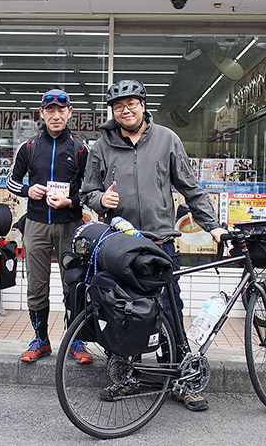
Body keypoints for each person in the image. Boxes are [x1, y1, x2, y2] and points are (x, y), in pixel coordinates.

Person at [81, 79, 226, 411]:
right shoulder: (101, 146)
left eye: (131, 104)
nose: (125, 110)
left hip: (160, 244)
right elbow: (86, 192)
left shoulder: (166, 140)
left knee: (169, 309)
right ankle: (123, 375)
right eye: (119, 106)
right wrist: (100, 198)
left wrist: (214, 227)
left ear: (143, 106)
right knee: (122, 311)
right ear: (113, 112)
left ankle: (181, 380)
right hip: (121, 246)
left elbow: (191, 188)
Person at [6, 89, 91, 364]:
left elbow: (92, 188)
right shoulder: (29, 147)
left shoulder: (80, 148)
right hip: (37, 224)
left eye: (61, 111)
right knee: (37, 285)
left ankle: (76, 340)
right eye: (50, 111)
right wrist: (28, 190)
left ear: (69, 113)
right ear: (41, 113)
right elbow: (11, 182)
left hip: (71, 225)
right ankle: (40, 338)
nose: (56, 116)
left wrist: (71, 200)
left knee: (75, 284)